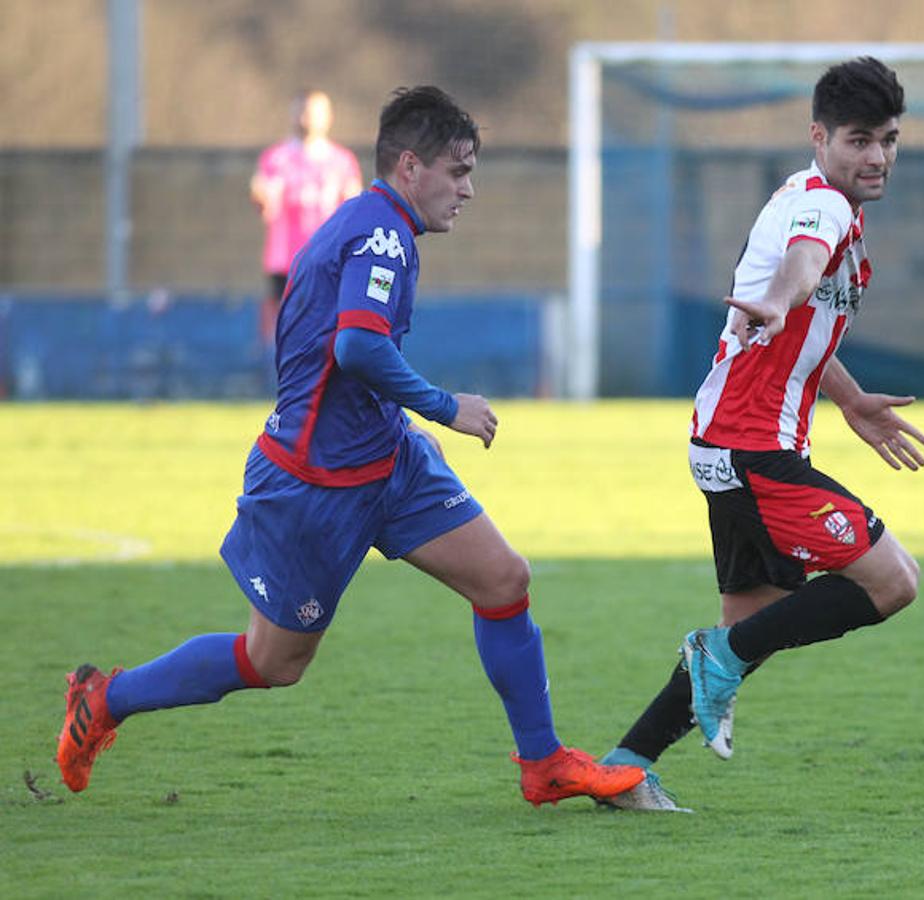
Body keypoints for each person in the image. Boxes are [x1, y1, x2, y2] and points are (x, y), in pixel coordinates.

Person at [56, 86, 645, 807]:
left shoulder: (379, 225)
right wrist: (444, 406)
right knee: (272, 662)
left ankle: (543, 763)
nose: (468, 190)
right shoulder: (381, 236)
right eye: (457, 172)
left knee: (503, 581)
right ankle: (105, 699)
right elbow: (359, 345)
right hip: (314, 485)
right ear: (408, 166)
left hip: (387, 462)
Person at [597, 57, 924, 812]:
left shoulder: (816, 197)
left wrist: (844, 399)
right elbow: (802, 272)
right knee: (893, 581)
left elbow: (805, 321)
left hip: (733, 442)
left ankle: (623, 768)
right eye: (857, 140)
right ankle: (713, 656)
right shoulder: (825, 209)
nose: (875, 156)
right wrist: (780, 300)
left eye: (888, 139)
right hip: (753, 450)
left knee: (751, 632)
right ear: (819, 137)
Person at [251, 89, 364, 346]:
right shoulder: (276, 158)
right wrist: (261, 196)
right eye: (302, 111)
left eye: (315, 112)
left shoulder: (342, 161)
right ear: (293, 115)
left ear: (328, 117)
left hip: (328, 260)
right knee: (289, 331)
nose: (307, 118)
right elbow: (262, 196)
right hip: (286, 261)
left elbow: (353, 208)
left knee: (327, 328)